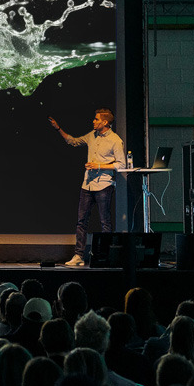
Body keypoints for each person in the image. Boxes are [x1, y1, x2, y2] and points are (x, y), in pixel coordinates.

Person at [48, 108, 127, 267]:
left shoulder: (115, 140)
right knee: (81, 221)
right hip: (87, 185)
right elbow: (73, 141)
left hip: (104, 184)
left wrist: (98, 165)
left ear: (105, 122)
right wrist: (58, 128)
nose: (93, 121)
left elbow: (121, 164)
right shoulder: (92, 135)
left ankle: (105, 256)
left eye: (96, 119)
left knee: (105, 222)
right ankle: (78, 256)